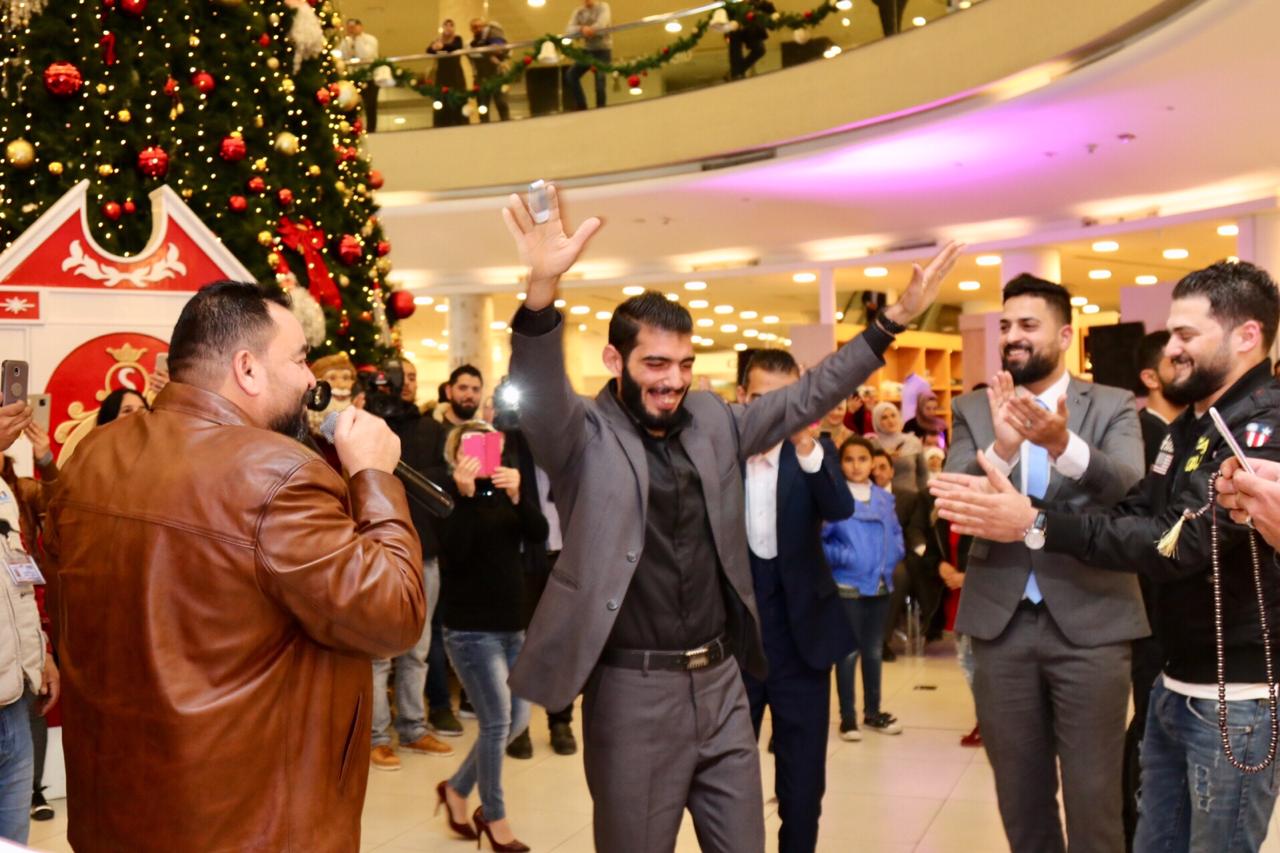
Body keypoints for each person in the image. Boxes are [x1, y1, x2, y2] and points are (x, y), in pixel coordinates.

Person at [500, 182, 962, 852]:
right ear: (614, 360)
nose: (673, 380)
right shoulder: (582, 437)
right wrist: (541, 293)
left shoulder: (713, 420)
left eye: (684, 364)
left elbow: (807, 394)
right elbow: (540, 393)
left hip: (722, 686)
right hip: (633, 692)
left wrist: (890, 323)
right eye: (655, 363)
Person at [43, 281, 427, 852]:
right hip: (247, 824)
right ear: (247, 368)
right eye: (299, 360)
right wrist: (373, 476)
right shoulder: (278, 473)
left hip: (117, 813)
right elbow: (394, 615)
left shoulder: (94, 454)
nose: (310, 380)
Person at [936, 260, 1280, 852]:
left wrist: (1037, 517)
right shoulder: (1192, 425)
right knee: (1143, 834)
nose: (1170, 350)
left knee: (1123, 812)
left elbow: (1174, 541)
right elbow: (1138, 509)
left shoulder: (1255, 426)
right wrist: (1012, 462)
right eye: (1171, 334)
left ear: (1247, 336)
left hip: (1231, 690)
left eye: (1185, 335)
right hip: (1174, 677)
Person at [934, 272, 1152, 853]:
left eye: (1028, 325)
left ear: (1065, 335)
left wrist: (1062, 444)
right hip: (1000, 624)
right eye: (1005, 325)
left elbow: (1128, 488)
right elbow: (954, 498)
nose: (1012, 336)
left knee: (1093, 798)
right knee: (1020, 798)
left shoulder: (1111, 404)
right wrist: (1003, 447)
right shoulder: (975, 408)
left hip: (1094, 623)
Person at [736, 349, 855, 853]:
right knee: (727, 780)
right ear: (742, 398)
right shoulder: (720, 456)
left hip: (802, 639)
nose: (770, 412)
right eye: (760, 399)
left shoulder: (812, 453)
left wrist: (805, 440)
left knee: (803, 783)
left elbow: (840, 507)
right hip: (735, 643)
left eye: (783, 401)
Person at [436, 421, 547, 852]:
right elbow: (455, 552)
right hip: (470, 630)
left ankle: (456, 788)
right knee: (498, 721)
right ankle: (494, 817)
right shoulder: (448, 496)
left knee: (517, 721)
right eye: (470, 447)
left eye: (488, 445)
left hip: (512, 624)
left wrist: (519, 496)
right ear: (456, 455)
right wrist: (464, 498)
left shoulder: (504, 489)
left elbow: (538, 534)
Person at [368, 369, 455, 771]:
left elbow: (444, 482)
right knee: (379, 652)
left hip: (425, 553)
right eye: (396, 377)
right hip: (377, 553)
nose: (405, 383)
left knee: (417, 650)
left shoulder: (432, 430)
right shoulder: (369, 425)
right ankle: (376, 737)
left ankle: (413, 727)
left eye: (412, 376)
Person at [1124, 328, 1185, 848]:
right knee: (1147, 724)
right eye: (1175, 359)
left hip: (1169, 606)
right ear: (1151, 376)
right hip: (1145, 600)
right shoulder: (1142, 431)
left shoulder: (1185, 429)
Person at [0, 401, 59, 845]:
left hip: (15, 696)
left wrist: (43, 652)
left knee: (14, 840)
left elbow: (18, 581)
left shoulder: (7, 492)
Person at [824, 436, 905, 741]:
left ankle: (873, 712)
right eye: (849, 459)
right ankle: (848, 718)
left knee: (873, 650)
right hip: (848, 584)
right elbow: (820, 540)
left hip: (880, 583)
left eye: (862, 459)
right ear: (840, 463)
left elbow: (896, 533)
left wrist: (894, 554)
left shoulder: (884, 498)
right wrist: (846, 557)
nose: (856, 466)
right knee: (847, 653)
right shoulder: (835, 497)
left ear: (873, 463)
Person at [1136, 330, 1185, 471]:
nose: (1187, 370)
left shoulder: (1199, 427)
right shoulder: (1137, 435)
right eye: (1177, 362)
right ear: (1150, 378)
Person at [564, 0, 612, 110]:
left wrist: (589, 29)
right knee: (571, 75)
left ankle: (601, 108)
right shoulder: (578, 11)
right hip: (588, 51)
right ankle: (581, 105)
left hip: (603, 50)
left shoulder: (603, 6)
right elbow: (569, 29)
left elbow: (602, 24)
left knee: (600, 81)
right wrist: (582, 29)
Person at [338, 18, 381, 131]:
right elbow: (343, 56)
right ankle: (352, 129)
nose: (351, 29)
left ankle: (372, 129)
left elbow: (366, 55)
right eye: (349, 27)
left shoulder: (370, 39)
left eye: (354, 26)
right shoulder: (345, 42)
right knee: (351, 104)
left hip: (369, 77)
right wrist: (349, 41)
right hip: (352, 77)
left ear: (360, 27)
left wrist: (357, 39)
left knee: (370, 104)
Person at [469, 18, 511, 122]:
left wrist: (496, 54)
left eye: (481, 26)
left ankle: (507, 124)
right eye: (475, 27)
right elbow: (476, 55)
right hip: (481, 79)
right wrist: (489, 55)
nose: (478, 29)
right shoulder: (472, 44)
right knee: (483, 107)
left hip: (497, 76)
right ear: (471, 29)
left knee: (502, 103)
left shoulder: (494, 37)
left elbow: (503, 51)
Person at [427, 20, 466, 127]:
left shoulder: (457, 39)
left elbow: (455, 47)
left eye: (451, 26)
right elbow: (429, 50)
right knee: (442, 101)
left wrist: (441, 48)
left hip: (456, 75)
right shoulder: (437, 40)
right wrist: (440, 48)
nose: (448, 28)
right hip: (442, 76)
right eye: (446, 25)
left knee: (458, 100)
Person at [728, 0, 775, 79]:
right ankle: (736, 73)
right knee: (736, 52)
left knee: (759, 50)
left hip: (752, 26)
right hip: (735, 22)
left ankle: (737, 72)